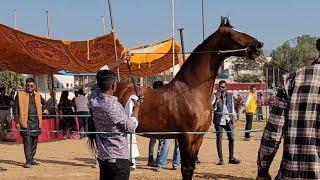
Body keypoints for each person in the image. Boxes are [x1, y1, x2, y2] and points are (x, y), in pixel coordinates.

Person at [256, 41, 320, 179]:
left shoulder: (292, 80)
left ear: (318, 47)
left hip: (292, 174)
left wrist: (262, 170)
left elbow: (272, 134)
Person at [90, 70, 140, 180]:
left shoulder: (94, 100)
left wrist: (120, 62)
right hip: (118, 159)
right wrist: (136, 109)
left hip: (103, 157)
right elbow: (130, 127)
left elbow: (100, 72)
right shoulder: (113, 106)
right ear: (113, 85)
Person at [13, 78, 46, 168]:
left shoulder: (38, 95)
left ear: (34, 86)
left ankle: (31, 159)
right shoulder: (20, 95)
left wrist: (42, 109)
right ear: (25, 86)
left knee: (34, 142)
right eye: (28, 85)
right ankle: (28, 161)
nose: (29, 87)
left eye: (31, 86)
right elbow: (15, 108)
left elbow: (45, 103)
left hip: (36, 122)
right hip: (25, 122)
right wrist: (17, 121)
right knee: (27, 142)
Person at [212, 80, 240, 165]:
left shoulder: (230, 95)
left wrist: (233, 120)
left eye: (223, 87)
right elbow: (213, 108)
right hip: (219, 120)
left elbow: (232, 108)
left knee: (231, 138)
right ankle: (221, 159)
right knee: (219, 139)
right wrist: (216, 100)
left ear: (226, 87)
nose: (221, 88)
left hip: (228, 119)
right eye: (220, 87)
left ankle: (231, 157)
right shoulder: (215, 96)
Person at [147, 80, 165, 167]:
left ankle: (151, 158)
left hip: (153, 122)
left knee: (153, 141)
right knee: (160, 141)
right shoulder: (162, 98)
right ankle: (157, 158)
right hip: (159, 123)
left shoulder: (151, 97)